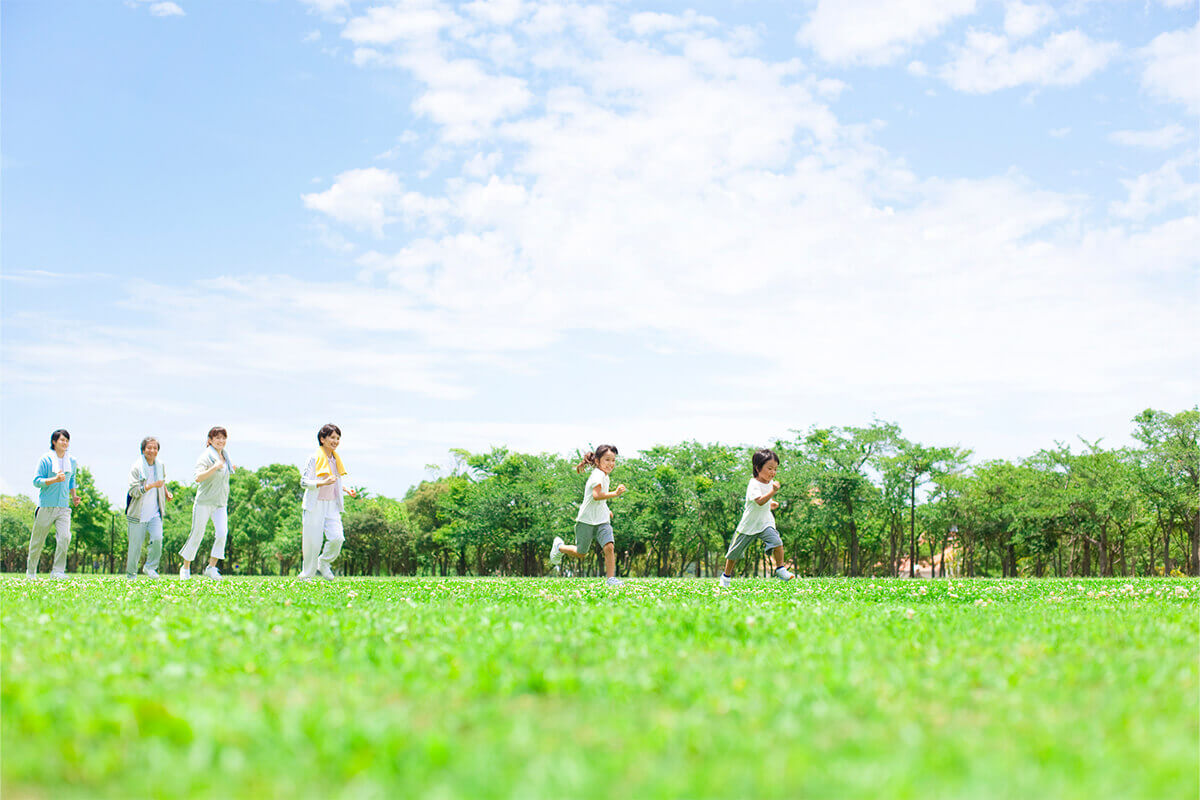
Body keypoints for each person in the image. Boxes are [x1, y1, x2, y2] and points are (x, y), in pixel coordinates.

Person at [549, 444, 627, 585]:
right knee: (581, 553)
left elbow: (599, 500)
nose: (611, 464)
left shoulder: (605, 476)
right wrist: (615, 494)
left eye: (613, 460)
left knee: (609, 546)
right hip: (586, 520)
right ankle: (559, 547)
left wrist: (606, 509)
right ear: (597, 461)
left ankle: (611, 579)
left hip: (601, 520)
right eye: (607, 460)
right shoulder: (597, 475)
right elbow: (597, 495)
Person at [719, 448, 794, 587]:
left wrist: (771, 504)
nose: (773, 472)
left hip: (765, 523)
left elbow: (764, 503)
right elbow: (759, 501)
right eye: (770, 468)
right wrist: (773, 493)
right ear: (758, 468)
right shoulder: (753, 483)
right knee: (734, 553)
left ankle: (780, 569)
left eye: (775, 469)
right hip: (749, 525)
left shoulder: (770, 484)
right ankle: (726, 577)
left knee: (777, 542)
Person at [298, 423, 356, 581]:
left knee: (338, 538)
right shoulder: (314, 458)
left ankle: (323, 562)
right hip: (314, 504)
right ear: (322, 439)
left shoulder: (336, 460)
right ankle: (306, 576)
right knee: (313, 543)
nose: (335, 441)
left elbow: (334, 481)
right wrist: (322, 483)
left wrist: (345, 489)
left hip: (332, 505)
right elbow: (303, 482)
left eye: (338, 438)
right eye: (332, 437)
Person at [179, 427, 234, 580]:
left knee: (222, 533)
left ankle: (211, 567)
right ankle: (185, 568)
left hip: (220, 502)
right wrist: (214, 468)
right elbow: (198, 477)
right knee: (197, 534)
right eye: (217, 437)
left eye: (223, 438)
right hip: (204, 502)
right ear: (210, 440)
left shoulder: (225, 456)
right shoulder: (205, 457)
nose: (221, 441)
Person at [27, 429, 80, 578]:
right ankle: (31, 572)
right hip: (46, 507)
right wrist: (55, 480)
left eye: (67, 440)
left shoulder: (72, 461)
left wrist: (74, 496)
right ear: (54, 442)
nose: (65, 443)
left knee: (65, 537)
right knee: (37, 541)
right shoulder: (46, 459)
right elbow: (37, 481)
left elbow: (72, 480)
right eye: (62, 440)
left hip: (64, 507)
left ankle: (57, 571)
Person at [124, 436, 172, 579]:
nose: (152, 450)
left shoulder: (160, 465)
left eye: (155, 448)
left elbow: (161, 482)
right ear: (143, 450)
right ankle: (131, 575)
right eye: (149, 448)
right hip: (138, 514)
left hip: (155, 513)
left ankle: (150, 568)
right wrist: (151, 486)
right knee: (135, 547)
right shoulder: (136, 467)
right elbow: (133, 491)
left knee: (158, 538)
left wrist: (166, 492)